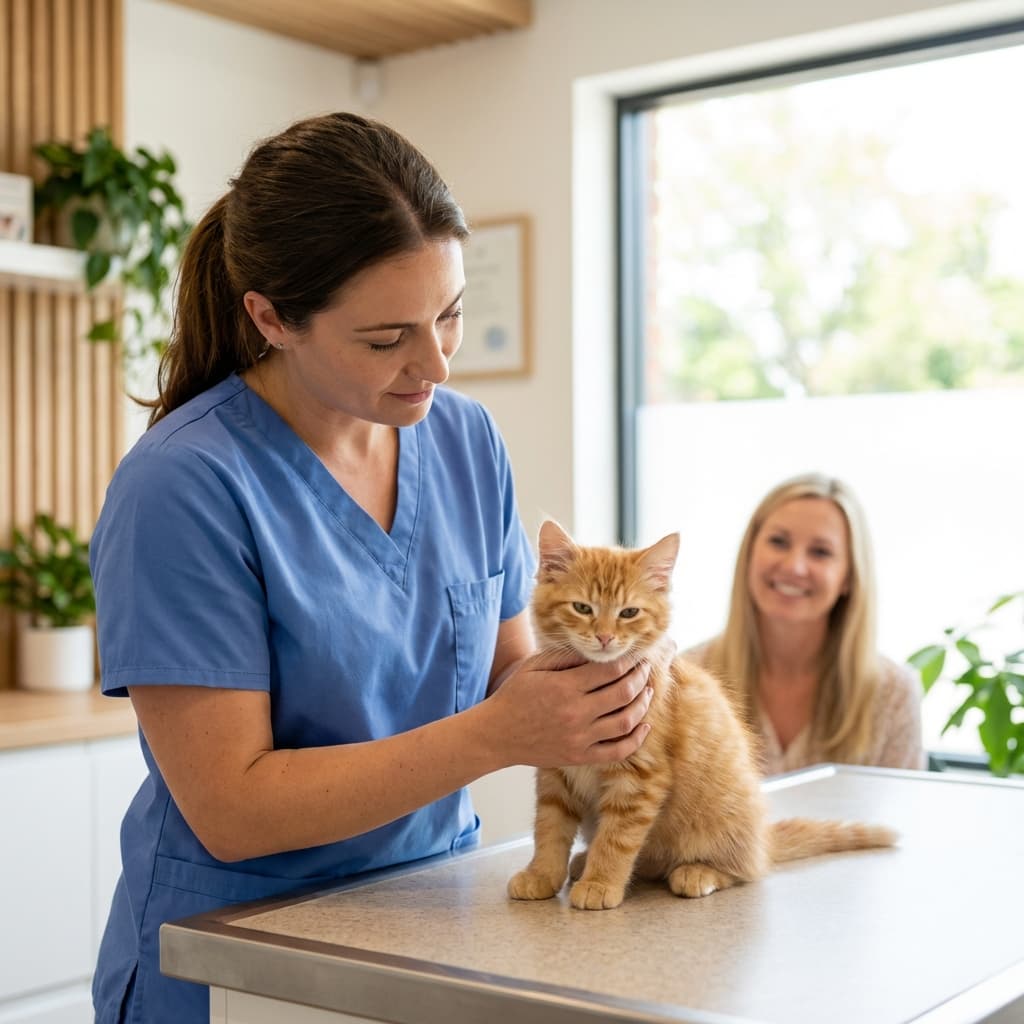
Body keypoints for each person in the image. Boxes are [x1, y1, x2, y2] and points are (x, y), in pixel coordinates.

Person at [89, 112, 656, 1024]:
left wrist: (610, 691)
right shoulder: (182, 486)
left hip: (434, 922)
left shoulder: (466, 440)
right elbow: (232, 807)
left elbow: (508, 673)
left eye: (451, 314)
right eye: (388, 338)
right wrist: (494, 736)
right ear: (272, 319)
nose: (434, 364)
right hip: (240, 952)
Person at [689, 472, 925, 776]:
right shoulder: (687, 677)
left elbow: (901, 806)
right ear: (749, 554)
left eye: (820, 552)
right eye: (778, 542)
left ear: (849, 577)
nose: (794, 566)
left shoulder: (893, 694)